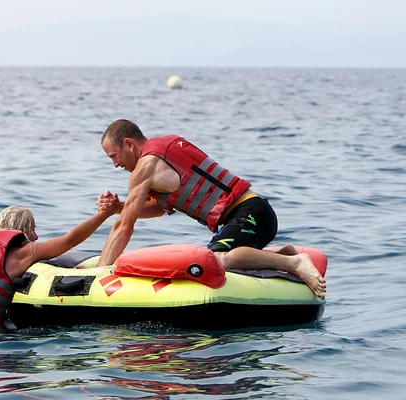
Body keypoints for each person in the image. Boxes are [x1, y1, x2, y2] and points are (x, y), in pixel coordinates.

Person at [95, 119, 326, 299]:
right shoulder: (164, 149)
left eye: (114, 156)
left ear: (129, 144)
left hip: (249, 214)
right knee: (216, 256)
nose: (115, 164)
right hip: (256, 213)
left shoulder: (145, 167)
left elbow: (124, 227)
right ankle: (281, 255)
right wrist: (119, 207)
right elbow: (158, 207)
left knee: (216, 259)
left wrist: (98, 274)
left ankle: (295, 263)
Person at [0, 194, 119, 330]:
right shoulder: (24, 252)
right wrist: (105, 214)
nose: (36, 237)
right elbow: (69, 240)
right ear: (23, 230)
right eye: (33, 230)